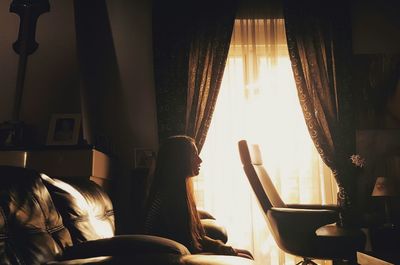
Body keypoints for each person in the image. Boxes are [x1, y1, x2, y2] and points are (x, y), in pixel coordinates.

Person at [144, 135, 250, 257]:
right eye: (194, 155)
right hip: (176, 257)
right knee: (245, 255)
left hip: (182, 252)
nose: (200, 160)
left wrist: (219, 245)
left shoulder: (170, 189)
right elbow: (187, 242)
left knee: (245, 254)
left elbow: (191, 235)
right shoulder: (171, 198)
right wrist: (219, 247)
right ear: (179, 160)